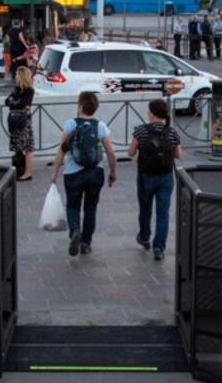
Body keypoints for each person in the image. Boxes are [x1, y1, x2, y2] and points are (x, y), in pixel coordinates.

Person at [50, 91, 117, 256]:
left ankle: (74, 232)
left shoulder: (70, 124)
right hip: (96, 173)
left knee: (72, 206)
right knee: (90, 208)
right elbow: (110, 153)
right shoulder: (100, 126)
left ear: (80, 106)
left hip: (73, 173)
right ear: (95, 108)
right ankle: (86, 243)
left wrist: (54, 172)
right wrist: (112, 172)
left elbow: (61, 150)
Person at [127, 99, 182, 261]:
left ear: (152, 113)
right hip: (166, 177)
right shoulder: (171, 132)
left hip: (146, 176)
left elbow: (131, 152)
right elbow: (179, 155)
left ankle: (144, 237)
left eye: (148, 111)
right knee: (163, 214)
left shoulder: (141, 131)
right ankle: (159, 247)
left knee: (145, 209)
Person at [7, 67, 36, 181]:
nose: (15, 77)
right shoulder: (16, 89)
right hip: (15, 121)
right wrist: (15, 102)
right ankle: (19, 170)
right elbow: (7, 101)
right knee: (17, 147)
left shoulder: (29, 90)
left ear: (22, 76)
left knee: (28, 147)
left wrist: (13, 102)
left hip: (24, 121)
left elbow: (24, 103)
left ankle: (27, 173)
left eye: (17, 75)